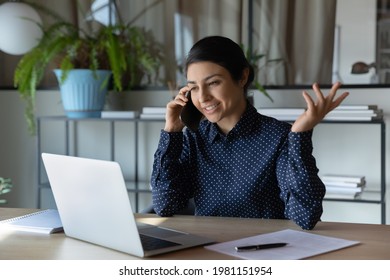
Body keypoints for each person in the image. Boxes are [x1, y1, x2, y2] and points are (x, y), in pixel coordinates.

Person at [150, 35, 349, 230]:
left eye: (213, 83)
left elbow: (305, 217)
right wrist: (172, 131)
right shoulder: (193, 137)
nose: (202, 97)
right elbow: (165, 205)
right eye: (194, 88)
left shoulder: (279, 137)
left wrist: (299, 134)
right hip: (206, 250)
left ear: (242, 77)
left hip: (263, 252)